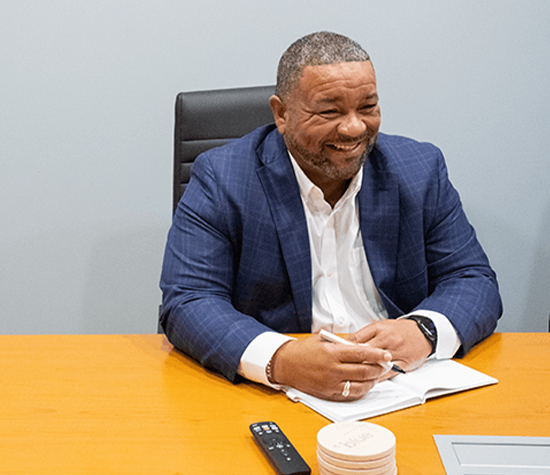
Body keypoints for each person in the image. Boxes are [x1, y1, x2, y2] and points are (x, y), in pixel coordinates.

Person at [159, 31, 501, 402]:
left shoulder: (419, 170)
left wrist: (424, 331)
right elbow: (189, 300)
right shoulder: (222, 177)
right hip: (277, 395)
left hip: (401, 389)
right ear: (282, 113)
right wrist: (282, 359)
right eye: (330, 111)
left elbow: (473, 279)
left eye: (368, 107)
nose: (354, 127)